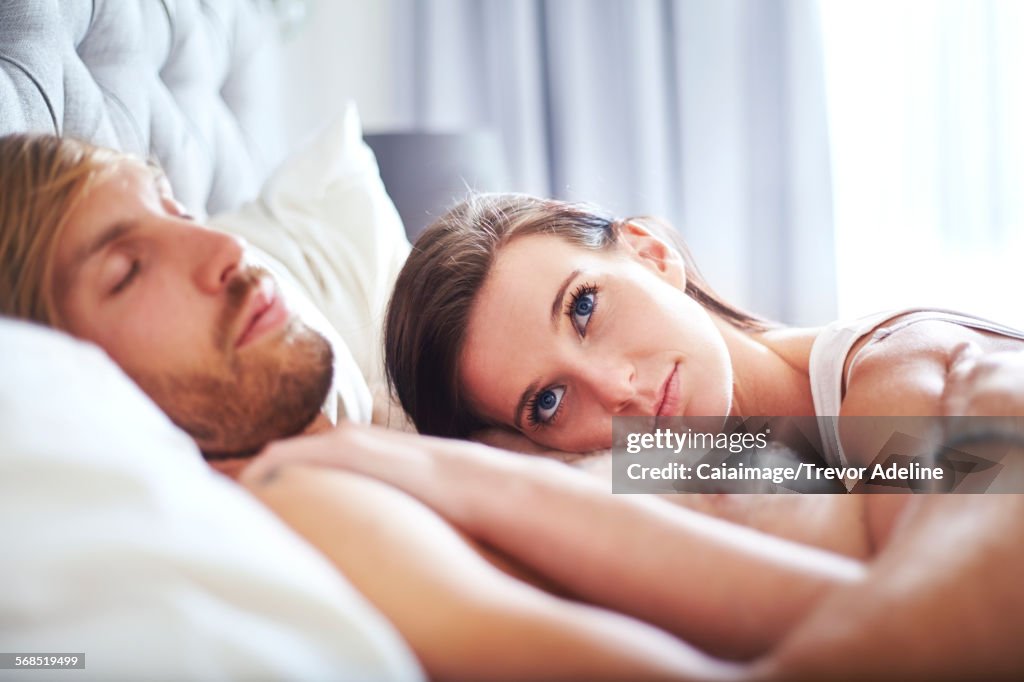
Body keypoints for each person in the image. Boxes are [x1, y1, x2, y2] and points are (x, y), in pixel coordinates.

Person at [2, 133, 1022, 679]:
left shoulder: (891, 369)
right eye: (543, 400)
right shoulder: (665, 450)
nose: (619, 392)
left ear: (652, 249)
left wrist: (433, 465)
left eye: (586, 306)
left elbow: (986, 479)